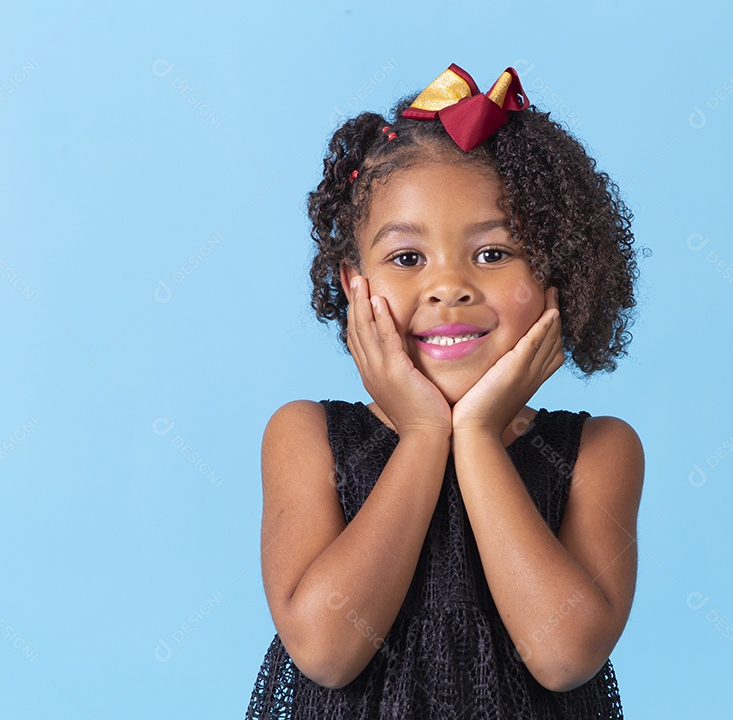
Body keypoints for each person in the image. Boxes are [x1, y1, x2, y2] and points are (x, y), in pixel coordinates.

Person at [246, 63, 647, 719]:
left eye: (492, 254)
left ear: (558, 275)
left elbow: (565, 655)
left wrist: (480, 435)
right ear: (354, 284)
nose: (449, 287)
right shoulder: (304, 437)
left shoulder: (600, 452)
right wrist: (427, 433)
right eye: (408, 259)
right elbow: (325, 648)